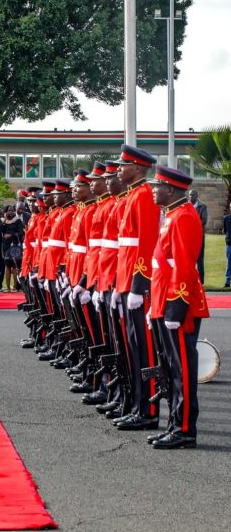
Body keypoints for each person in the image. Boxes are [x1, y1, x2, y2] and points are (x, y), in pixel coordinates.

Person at [147, 165, 209, 449]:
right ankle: (174, 424)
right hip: (164, 299)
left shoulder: (183, 216)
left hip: (177, 305)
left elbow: (184, 267)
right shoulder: (171, 214)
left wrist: (175, 307)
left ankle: (184, 430)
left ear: (170, 189)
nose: (153, 190)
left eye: (157, 186)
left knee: (182, 369)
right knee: (171, 368)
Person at [113, 145, 161, 431]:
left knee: (144, 351)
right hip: (125, 276)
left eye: (124, 165)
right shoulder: (134, 195)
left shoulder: (143, 196)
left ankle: (149, 410)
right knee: (132, 348)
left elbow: (146, 243)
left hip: (136, 281)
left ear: (139, 169)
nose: (120, 169)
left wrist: (137, 284)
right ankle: (137, 405)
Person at [0, 204, 25, 292]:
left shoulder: (17, 221)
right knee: (7, 266)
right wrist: (4, 220)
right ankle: (8, 287)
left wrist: (11, 235)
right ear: (5, 212)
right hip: (5, 245)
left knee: (14, 266)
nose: (10, 212)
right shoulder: (2, 221)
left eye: (11, 210)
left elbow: (21, 232)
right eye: (8, 210)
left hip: (14, 244)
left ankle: (15, 286)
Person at [188, 189, 207, 284]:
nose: (191, 196)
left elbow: (203, 220)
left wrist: (191, 224)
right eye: (190, 195)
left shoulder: (202, 207)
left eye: (193, 195)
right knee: (187, 260)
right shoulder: (185, 206)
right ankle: (189, 281)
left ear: (197, 196)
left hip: (199, 236)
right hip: (187, 237)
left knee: (200, 260)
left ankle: (201, 282)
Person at [224, 203, 231, 288]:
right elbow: (225, 231)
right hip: (229, 244)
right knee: (229, 263)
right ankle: (227, 281)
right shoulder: (226, 218)